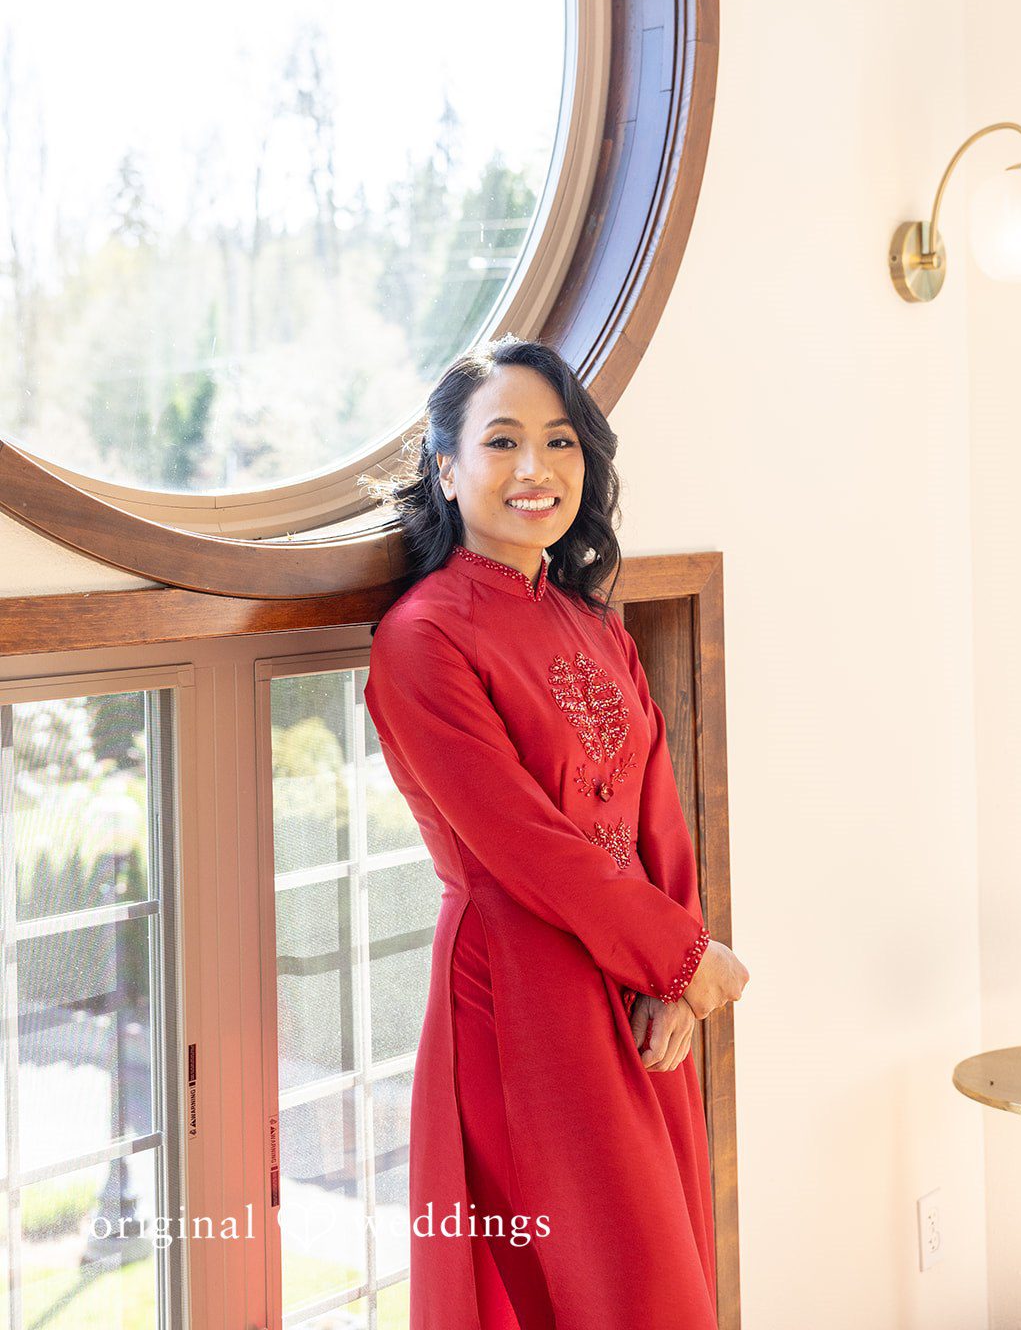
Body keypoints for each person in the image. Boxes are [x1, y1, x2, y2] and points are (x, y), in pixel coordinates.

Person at [362, 334, 749, 1330]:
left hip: (629, 989)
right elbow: (522, 844)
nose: (535, 468)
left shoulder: (594, 622)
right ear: (446, 469)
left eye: (559, 441)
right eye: (501, 441)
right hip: (520, 998)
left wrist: (676, 974)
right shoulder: (422, 637)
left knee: (662, 1272)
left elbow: (653, 806)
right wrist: (676, 953)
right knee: (589, 1292)